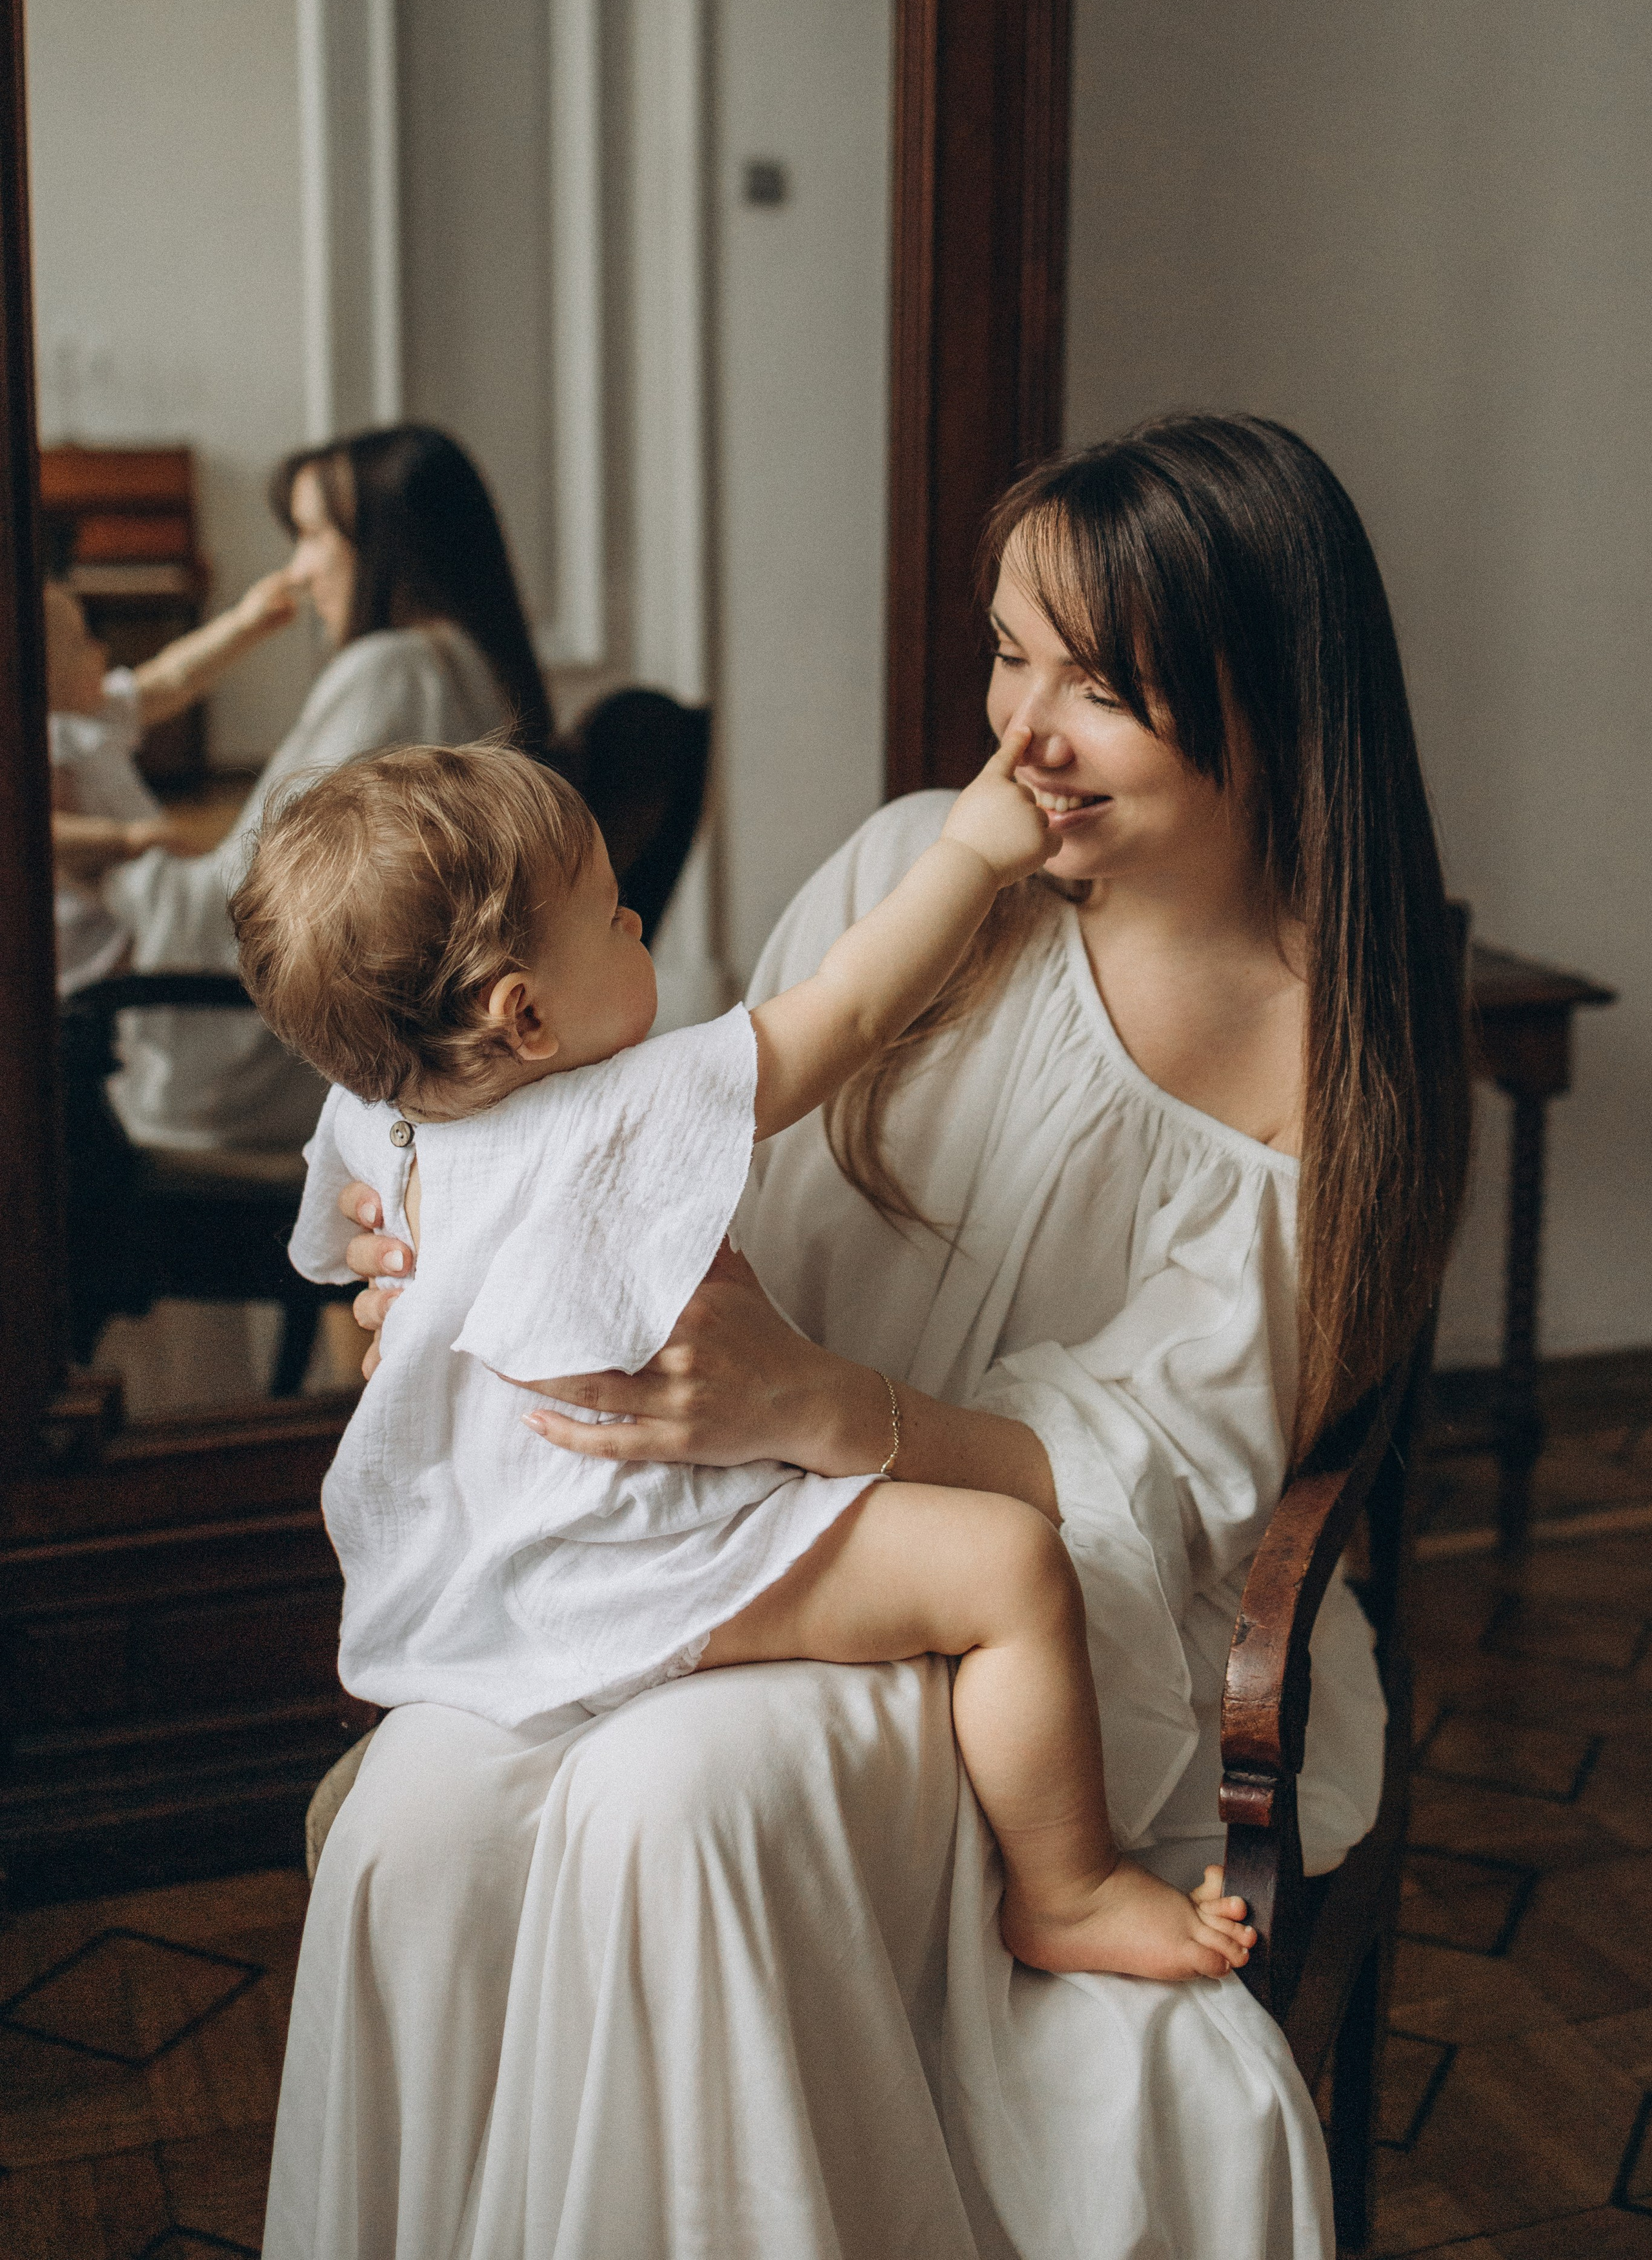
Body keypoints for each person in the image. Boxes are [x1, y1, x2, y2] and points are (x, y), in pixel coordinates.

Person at [266, 415, 1469, 2260]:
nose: (1023, 732)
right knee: (414, 1821)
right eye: (1009, 652)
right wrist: (464, 1272)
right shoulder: (924, 873)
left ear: (1272, 706)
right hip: (712, 1514)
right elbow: (651, 1147)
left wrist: (840, 1410)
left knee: (676, 1808)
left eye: (1102, 685)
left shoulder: (1329, 1060)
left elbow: (1167, 1490)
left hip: (1051, 1608)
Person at [233, 734, 1258, 1983]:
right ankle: (1069, 1888)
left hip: (476, 1575)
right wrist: (971, 854)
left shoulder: (369, 1116)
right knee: (1006, 1566)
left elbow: (355, 1264)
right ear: (525, 1015)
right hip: (637, 1553)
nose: (634, 923)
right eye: (610, 917)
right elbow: (854, 1005)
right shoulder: (624, 1104)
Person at [101, 423, 554, 1151]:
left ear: (389, 544)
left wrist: (113, 871)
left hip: (319, 1072)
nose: (300, 570)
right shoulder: (466, 662)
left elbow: (259, 904)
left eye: (314, 536)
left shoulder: (396, 670)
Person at [45, 572, 298, 994]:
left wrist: (243, 624)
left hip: (140, 895)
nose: (100, 648)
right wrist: (124, 839)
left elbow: (172, 676)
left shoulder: (96, 710)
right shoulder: (45, 738)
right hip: (98, 928)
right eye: (81, 641)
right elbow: (42, 830)